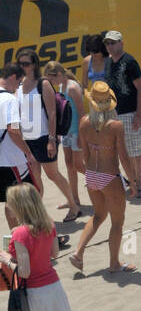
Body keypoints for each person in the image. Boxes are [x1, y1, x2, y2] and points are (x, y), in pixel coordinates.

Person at [69, 82, 136, 276]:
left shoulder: (84, 122)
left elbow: (85, 154)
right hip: (109, 176)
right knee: (117, 221)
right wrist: (133, 181)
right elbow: (123, 157)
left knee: (98, 216)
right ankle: (114, 263)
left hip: (92, 175)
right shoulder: (115, 126)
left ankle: (78, 253)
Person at [17, 50, 80, 218]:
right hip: (27, 140)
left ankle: (73, 206)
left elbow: (52, 113)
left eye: (26, 64)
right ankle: (38, 216)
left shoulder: (43, 84)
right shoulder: (20, 84)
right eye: (20, 64)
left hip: (44, 137)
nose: (23, 67)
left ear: (34, 64)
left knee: (53, 174)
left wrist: (51, 140)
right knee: (35, 179)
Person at [104, 31, 141, 198]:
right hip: (116, 112)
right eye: (107, 43)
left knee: (135, 149)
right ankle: (132, 180)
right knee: (124, 150)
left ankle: (139, 181)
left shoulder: (129, 61)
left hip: (131, 111)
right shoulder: (108, 62)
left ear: (121, 43)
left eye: (113, 43)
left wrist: (137, 114)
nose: (110, 46)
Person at [43, 61, 85, 219]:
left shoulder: (73, 87)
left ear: (58, 75)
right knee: (69, 165)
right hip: (67, 132)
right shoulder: (61, 86)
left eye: (51, 80)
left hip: (76, 132)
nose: (50, 83)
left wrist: (81, 135)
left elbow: (82, 113)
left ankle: (106, 183)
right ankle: (74, 199)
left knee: (79, 165)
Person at [0, 63, 36, 201]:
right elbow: (13, 130)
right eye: (19, 82)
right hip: (10, 160)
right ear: (13, 77)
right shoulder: (10, 100)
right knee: (21, 201)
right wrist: (28, 153)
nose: (18, 87)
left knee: (9, 202)